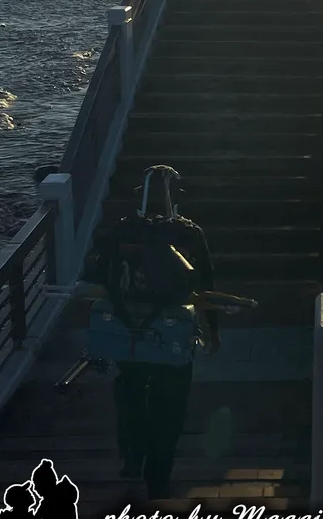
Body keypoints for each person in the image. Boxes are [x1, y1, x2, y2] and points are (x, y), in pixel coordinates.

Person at [83, 165, 220, 499]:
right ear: (176, 198)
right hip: (173, 337)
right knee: (169, 406)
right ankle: (157, 478)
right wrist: (212, 332)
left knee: (129, 392)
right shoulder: (190, 233)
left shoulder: (121, 230)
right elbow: (206, 286)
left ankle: (132, 454)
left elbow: (97, 274)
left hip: (128, 330)